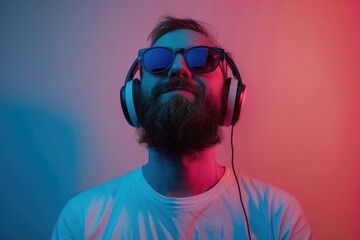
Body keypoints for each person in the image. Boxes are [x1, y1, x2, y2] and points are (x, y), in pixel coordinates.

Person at [52, 16, 313, 239]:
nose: (178, 68)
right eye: (157, 61)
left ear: (229, 96)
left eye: (202, 59)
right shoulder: (83, 220)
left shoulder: (277, 216)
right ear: (136, 95)